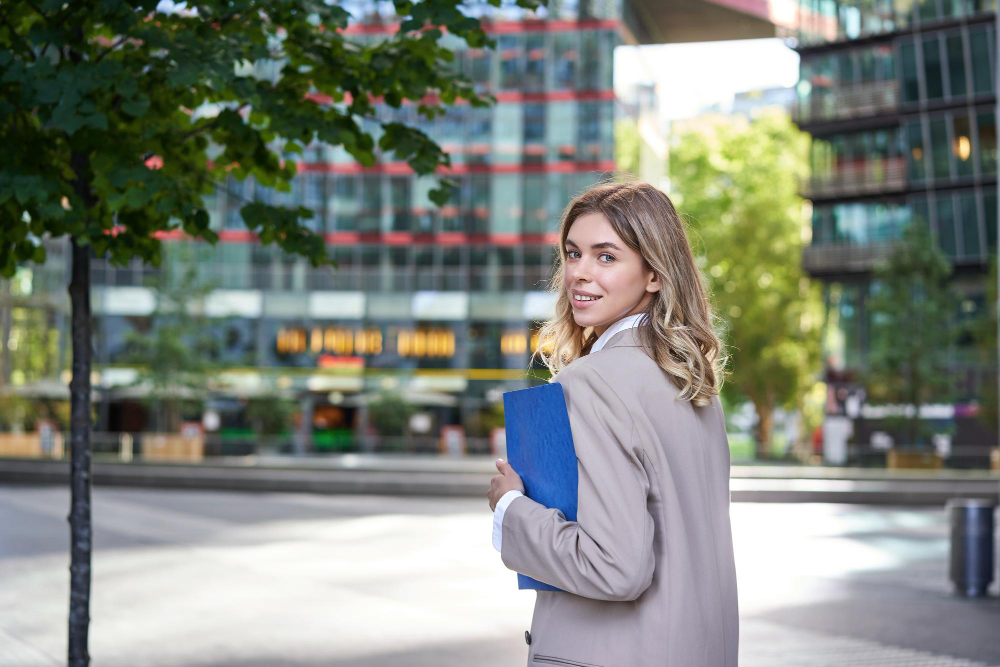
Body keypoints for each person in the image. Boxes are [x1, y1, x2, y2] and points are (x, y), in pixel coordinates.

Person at [486, 180, 738, 667]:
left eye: (606, 257)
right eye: (573, 253)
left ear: (654, 275)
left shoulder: (595, 381)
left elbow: (617, 567)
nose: (579, 273)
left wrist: (509, 508)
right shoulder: (693, 384)